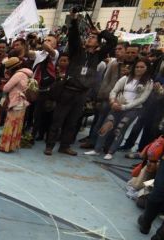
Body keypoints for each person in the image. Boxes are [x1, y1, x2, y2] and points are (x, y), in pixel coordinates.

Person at [44, 9, 116, 156]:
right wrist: (74, 19)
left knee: (72, 122)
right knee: (58, 120)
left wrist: (101, 32)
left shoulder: (99, 55)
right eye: (89, 36)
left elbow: (113, 41)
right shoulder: (77, 52)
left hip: (82, 94)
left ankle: (65, 146)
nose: (90, 38)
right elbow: (74, 36)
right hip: (68, 91)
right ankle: (49, 146)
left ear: (98, 44)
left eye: (94, 38)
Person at [86, 59, 153, 160]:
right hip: (116, 106)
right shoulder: (126, 78)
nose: (139, 69)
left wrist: (124, 107)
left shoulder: (149, 82)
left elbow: (142, 99)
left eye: (142, 67)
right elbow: (114, 90)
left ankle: (111, 152)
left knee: (120, 129)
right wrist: (113, 101)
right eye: (137, 67)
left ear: (147, 69)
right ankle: (97, 149)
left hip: (132, 110)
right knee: (105, 127)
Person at [0, 57, 33, 153]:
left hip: (15, 102)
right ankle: (12, 146)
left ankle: (5, 146)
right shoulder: (27, 73)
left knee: (10, 124)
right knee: (17, 125)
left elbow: (6, 88)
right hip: (23, 102)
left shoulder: (18, 74)